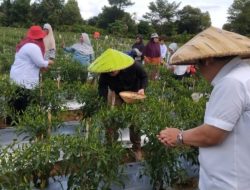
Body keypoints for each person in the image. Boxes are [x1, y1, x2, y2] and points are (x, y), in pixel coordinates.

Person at [157, 26, 250, 190]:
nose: (198, 70)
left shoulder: (231, 82)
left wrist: (179, 136)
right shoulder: (245, 74)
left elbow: (212, 134)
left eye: (197, 64)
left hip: (227, 181)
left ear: (208, 60)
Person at [88, 49, 148, 160]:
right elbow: (102, 87)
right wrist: (103, 102)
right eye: (109, 71)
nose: (111, 73)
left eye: (113, 71)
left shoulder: (132, 65)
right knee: (111, 121)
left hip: (134, 95)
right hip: (118, 96)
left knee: (135, 123)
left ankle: (137, 149)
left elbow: (144, 76)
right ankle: (111, 147)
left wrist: (142, 89)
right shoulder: (106, 72)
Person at [8, 25, 53, 124]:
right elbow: (40, 62)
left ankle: (11, 123)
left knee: (15, 101)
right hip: (24, 78)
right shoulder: (33, 46)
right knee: (23, 102)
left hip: (17, 76)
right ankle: (19, 124)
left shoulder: (26, 44)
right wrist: (49, 62)